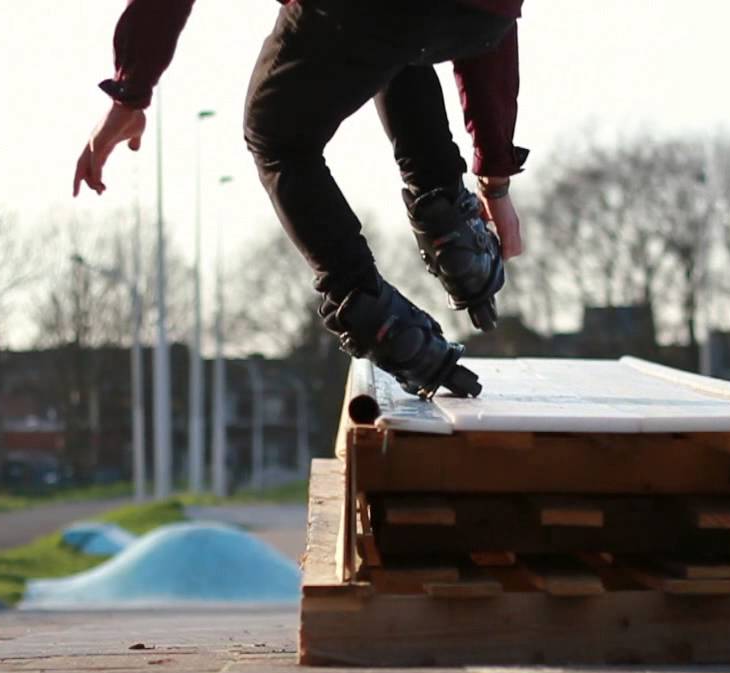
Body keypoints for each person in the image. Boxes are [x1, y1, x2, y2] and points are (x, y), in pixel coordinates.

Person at [73, 0, 527, 399]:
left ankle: (373, 311)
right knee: (398, 45)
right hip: (481, 18)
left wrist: (129, 95)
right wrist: (495, 172)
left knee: (277, 136)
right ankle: (453, 227)